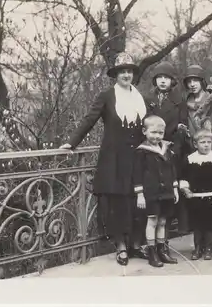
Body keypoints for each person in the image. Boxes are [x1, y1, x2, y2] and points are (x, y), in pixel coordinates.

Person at [59, 53, 148, 266]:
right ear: (115, 75)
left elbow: (150, 124)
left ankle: (136, 245)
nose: (126, 75)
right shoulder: (107, 96)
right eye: (122, 71)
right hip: (115, 159)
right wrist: (72, 142)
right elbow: (90, 119)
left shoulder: (139, 97)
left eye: (129, 71)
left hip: (138, 157)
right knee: (118, 204)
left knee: (138, 202)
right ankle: (121, 247)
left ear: (133, 74)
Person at [181, 64, 212, 255]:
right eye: (189, 81)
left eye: (196, 81)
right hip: (192, 153)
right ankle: (200, 243)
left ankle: (211, 242)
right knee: (194, 200)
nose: (192, 85)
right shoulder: (185, 103)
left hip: (211, 149)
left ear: (202, 82)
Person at [144, 61, 188, 261]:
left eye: (167, 78)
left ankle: (164, 246)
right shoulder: (148, 99)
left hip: (170, 153)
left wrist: (174, 149)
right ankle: (151, 248)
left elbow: (183, 128)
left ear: (172, 81)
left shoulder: (179, 101)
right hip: (151, 151)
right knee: (152, 206)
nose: (163, 81)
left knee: (167, 206)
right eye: (159, 77)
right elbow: (142, 125)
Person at [133, 115, 180, 267]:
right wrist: (140, 194)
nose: (157, 136)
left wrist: (175, 188)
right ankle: (152, 252)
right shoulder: (142, 152)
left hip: (166, 192)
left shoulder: (167, 149)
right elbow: (137, 174)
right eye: (153, 132)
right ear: (144, 131)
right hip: (151, 193)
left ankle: (162, 251)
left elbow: (172, 170)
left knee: (163, 221)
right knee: (152, 221)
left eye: (160, 133)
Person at [179, 129, 212, 260]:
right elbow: (183, 177)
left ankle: (209, 248)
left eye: (209, 142)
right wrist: (186, 190)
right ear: (195, 144)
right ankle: (197, 248)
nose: (206, 145)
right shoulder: (189, 159)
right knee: (197, 225)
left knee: (209, 225)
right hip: (195, 198)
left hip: (211, 198)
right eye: (202, 142)